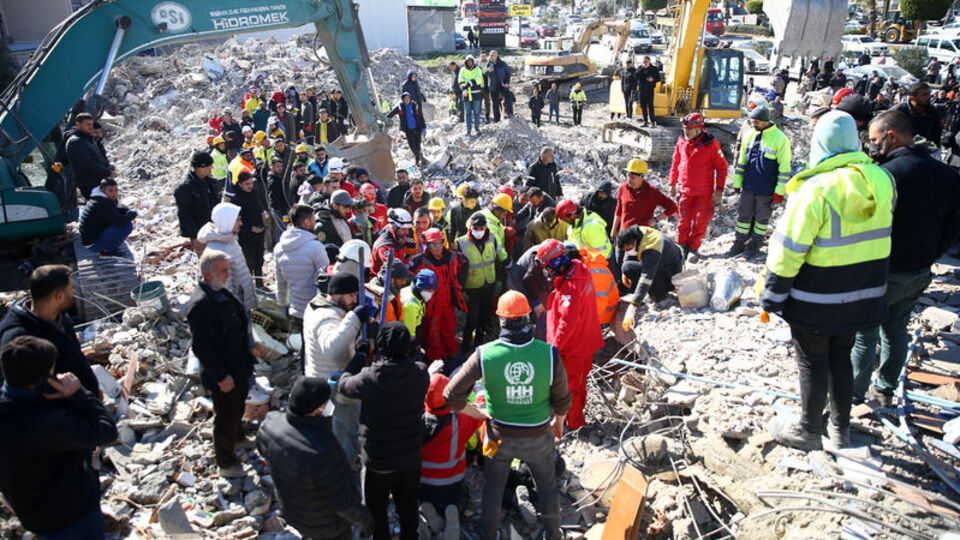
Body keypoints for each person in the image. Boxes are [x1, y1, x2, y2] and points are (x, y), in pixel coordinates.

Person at [761, 110, 894, 451]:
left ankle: (808, 430)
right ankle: (840, 429)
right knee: (841, 358)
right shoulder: (882, 181)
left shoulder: (814, 189)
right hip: (862, 295)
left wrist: (772, 295)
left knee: (812, 362)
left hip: (816, 299)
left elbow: (789, 250)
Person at [850, 111, 960, 406]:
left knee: (864, 333)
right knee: (896, 329)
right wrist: (931, 255)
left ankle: (853, 395)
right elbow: (953, 226)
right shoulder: (945, 174)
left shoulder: (886, 175)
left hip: (884, 269)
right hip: (919, 270)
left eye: (875, 140)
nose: (872, 146)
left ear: (892, 136)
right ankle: (884, 390)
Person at [444, 291, 571, 540]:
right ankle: (553, 534)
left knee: (493, 488)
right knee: (547, 487)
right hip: (539, 435)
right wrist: (558, 423)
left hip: (498, 436)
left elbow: (451, 394)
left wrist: (478, 414)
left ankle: (488, 534)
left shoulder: (485, 354)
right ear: (528, 319)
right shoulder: (548, 353)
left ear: (501, 321)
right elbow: (563, 399)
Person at [0, 336, 118, 539]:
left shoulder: (9, 411)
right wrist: (79, 395)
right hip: (72, 517)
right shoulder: (46, 422)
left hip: (34, 515)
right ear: (41, 379)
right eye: (53, 371)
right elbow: (105, 431)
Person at [337, 322, 430, 540]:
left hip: (378, 460)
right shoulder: (420, 373)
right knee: (408, 506)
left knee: (376, 511)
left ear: (381, 348)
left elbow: (344, 384)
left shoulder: (369, 377)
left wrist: (360, 356)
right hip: (409, 457)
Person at [257, 376, 372, 539]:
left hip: (291, 509)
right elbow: (343, 502)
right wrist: (367, 522)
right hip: (325, 523)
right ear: (316, 409)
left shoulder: (269, 423)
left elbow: (264, 451)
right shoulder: (322, 450)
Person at [188, 249, 256, 476]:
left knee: (237, 406)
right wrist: (220, 375)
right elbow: (201, 347)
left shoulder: (219, 291)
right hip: (224, 372)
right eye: (223, 271)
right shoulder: (202, 304)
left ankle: (238, 437)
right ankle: (226, 462)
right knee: (226, 416)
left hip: (237, 365)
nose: (228, 274)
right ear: (208, 274)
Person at [303, 271, 376, 467]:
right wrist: (354, 319)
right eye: (351, 295)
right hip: (333, 386)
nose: (355, 300)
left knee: (339, 428)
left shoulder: (320, 306)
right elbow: (331, 348)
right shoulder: (326, 317)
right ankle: (345, 467)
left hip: (330, 379)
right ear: (336, 294)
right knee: (345, 430)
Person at [0, 265, 98, 394]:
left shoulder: (60, 316)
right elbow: (16, 389)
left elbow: (77, 357)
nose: (74, 292)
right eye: (71, 289)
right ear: (59, 297)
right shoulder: (17, 336)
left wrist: (92, 389)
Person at [537, 239, 603, 430]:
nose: (547, 272)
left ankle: (575, 424)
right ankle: (574, 418)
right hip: (585, 340)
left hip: (573, 349)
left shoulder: (570, 288)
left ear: (557, 262)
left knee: (569, 389)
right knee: (579, 384)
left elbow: (567, 323)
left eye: (548, 267)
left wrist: (554, 349)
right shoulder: (580, 269)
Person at [728, 105, 792, 258]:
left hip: (767, 188)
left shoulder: (780, 139)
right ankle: (739, 242)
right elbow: (742, 162)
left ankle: (756, 243)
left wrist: (780, 191)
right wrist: (737, 183)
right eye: (752, 121)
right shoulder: (749, 135)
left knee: (762, 219)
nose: (753, 124)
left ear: (765, 121)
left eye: (756, 122)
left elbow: (784, 168)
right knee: (743, 216)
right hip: (749, 186)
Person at [419, 373, 485, 513]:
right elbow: (483, 408)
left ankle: (428, 511)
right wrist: (479, 387)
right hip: (451, 484)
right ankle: (455, 510)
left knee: (425, 499)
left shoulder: (415, 419)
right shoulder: (460, 421)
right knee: (460, 500)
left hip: (422, 483)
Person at [670, 113, 728, 263]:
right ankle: (682, 246)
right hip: (685, 190)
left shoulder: (711, 144)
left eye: (689, 129)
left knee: (700, 222)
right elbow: (675, 162)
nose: (686, 132)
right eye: (684, 128)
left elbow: (722, 168)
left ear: (699, 128)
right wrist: (672, 183)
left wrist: (719, 190)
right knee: (683, 221)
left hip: (704, 193)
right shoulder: (682, 142)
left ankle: (693, 248)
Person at [409, 229, 467, 363]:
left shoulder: (452, 256)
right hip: (431, 302)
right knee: (432, 330)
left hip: (448, 300)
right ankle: (434, 358)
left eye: (440, 243)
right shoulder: (420, 261)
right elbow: (408, 276)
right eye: (433, 244)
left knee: (449, 326)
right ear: (427, 245)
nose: (438, 247)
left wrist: (460, 285)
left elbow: (464, 263)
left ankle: (450, 354)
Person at [274, 205, 331, 332]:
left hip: (295, 310)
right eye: (313, 219)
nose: (315, 222)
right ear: (306, 222)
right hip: (316, 309)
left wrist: (282, 302)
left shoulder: (279, 248)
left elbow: (280, 281)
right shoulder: (316, 247)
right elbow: (326, 279)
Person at [457, 213, 508, 351]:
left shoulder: (492, 238)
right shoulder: (461, 243)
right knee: (472, 318)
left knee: (485, 316)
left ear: (486, 227)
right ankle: (466, 346)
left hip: (489, 284)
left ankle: (479, 344)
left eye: (481, 228)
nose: (479, 231)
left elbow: (497, 261)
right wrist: (461, 289)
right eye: (476, 228)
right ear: (470, 227)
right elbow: (458, 269)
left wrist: (498, 280)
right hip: (471, 287)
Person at [197, 202, 258, 312]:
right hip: (236, 309)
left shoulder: (229, 240)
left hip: (243, 303)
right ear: (227, 222)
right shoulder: (217, 252)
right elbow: (224, 290)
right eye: (237, 220)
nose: (241, 223)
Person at [617, 225, 684, 304]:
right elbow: (628, 254)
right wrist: (623, 274)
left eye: (628, 249)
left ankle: (659, 296)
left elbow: (647, 276)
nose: (627, 251)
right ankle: (643, 291)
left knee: (628, 267)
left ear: (634, 241)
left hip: (670, 278)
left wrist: (636, 301)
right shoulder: (639, 233)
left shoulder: (650, 247)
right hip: (665, 265)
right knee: (626, 265)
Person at [612, 158, 677, 237]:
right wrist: (614, 229)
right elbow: (619, 210)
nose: (629, 180)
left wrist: (656, 219)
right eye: (628, 176)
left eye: (633, 178)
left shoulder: (652, 192)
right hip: (625, 235)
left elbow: (673, 207)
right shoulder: (623, 188)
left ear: (642, 177)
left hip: (643, 237)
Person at [78, 178, 137, 255]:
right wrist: (134, 213)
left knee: (122, 221)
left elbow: (117, 210)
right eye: (110, 191)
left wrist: (128, 212)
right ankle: (108, 250)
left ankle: (107, 248)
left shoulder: (98, 198)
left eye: (116, 191)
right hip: (93, 245)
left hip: (90, 240)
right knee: (127, 226)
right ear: (102, 190)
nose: (114, 194)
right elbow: (120, 221)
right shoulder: (102, 202)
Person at [65, 112, 115, 200]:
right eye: (87, 125)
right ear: (78, 124)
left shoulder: (88, 139)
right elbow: (87, 163)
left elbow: (98, 157)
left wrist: (107, 166)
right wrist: (107, 172)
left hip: (97, 180)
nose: (90, 127)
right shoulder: (76, 142)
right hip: (88, 182)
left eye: (91, 124)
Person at [231, 172, 268, 289]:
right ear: (240, 184)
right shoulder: (236, 199)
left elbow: (259, 208)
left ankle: (260, 285)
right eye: (247, 184)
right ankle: (248, 287)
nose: (250, 186)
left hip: (259, 232)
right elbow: (236, 221)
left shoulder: (254, 194)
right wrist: (250, 228)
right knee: (248, 262)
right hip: (246, 236)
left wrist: (263, 214)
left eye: (251, 183)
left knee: (259, 260)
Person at [892, 82, 942, 148]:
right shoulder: (898, 112)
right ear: (912, 98)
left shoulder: (933, 112)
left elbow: (936, 137)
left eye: (929, 94)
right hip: (902, 150)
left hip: (926, 151)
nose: (929, 97)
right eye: (925, 95)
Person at [401, 268, 438, 350]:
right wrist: (414, 347)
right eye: (428, 290)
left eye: (433, 291)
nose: (431, 293)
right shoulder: (411, 305)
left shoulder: (416, 294)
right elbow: (409, 332)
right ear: (420, 287)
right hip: (405, 341)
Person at [386, 93, 427, 166]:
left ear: (410, 98)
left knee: (418, 146)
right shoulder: (400, 107)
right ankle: (420, 158)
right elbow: (391, 114)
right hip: (408, 130)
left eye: (408, 98)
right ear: (403, 100)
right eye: (405, 98)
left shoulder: (415, 106)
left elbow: (420, 117)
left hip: (417, 129)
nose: (407, 100)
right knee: (412, 147)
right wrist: (383, 118)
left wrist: (423, 128)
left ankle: (418, 162)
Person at [373, 208, 415, 273]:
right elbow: (395, 271)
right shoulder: (385, 246)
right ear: (394, 227)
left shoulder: (398, 238)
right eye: (403, 229)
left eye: (408, 229)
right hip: (385, 278)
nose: (407, 232)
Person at [459, 55, 484, 136]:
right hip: (466, 94)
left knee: (477, 112)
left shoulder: (478, 69)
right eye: (468, 61)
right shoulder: (462, 69)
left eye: (471, 61)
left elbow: (479, 79)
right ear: (466, 62)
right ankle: (468, 130)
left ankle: (477, 129)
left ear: (473, 61)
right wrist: (462, 84)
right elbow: (460, 79)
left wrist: (468, 83)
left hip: (476, 94)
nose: (469, 63)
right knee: (468, 113)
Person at [487, 50, 513, 121]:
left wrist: (507, 82)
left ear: (496, 56)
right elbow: (484, 74)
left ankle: (509, 114)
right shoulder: (488, 64)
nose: (491, 57)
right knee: (495, 102)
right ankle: (496, 118)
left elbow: (507, 73)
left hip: (502, 83)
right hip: (493, 85)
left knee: (508, 96)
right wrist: (488, 72)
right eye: (490, 55)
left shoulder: (502, 64)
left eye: (493, 55)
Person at [637, 56, 660, 126]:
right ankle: (645, 121)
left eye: (646, 61)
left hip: (650, 89)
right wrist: (642, 69)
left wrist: (653, 79)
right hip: (642, 90)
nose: (645, 63)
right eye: (644, 62)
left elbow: (658, 78)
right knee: (643, 106)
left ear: (649, 61)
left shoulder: (654, 69)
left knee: (650, 106)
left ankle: (652, 122)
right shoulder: (640, 68)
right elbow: (635, 76)